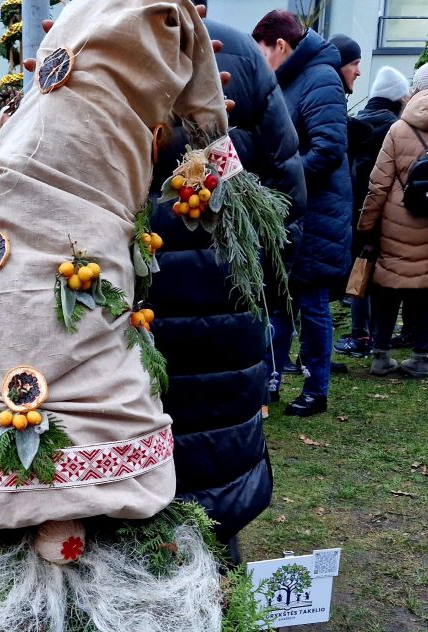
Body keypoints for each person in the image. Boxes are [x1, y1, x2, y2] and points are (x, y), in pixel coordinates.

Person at [149, 19, 306, 544]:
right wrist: (241, 248)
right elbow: (287, 193)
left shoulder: (87, 44)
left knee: (140, 479)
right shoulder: (240, 49)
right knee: (216, 478)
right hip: (227, 300)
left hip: (126, 302)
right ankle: (223, 606)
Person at [253, 10, 352, 417]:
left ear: (281, 45)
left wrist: (284, 182)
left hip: (316, 214)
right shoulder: (288, 81)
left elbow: (328, 147)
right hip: (290, 212)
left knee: (310, 303)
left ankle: (316, 388)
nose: (260, 62)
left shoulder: (321, 77)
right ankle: (271, 379)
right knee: (278, 300)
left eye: (263, 52)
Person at [357, 49, 428, 379]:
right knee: (426, 288)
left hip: (396, 220)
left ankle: (380, 356)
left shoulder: (400, 127)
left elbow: (378, 185)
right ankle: (421, 358)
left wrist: (366, 226)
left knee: (388, 287)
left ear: (421, 86)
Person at [335, 66, 409, 358]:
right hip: (381, 211)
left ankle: (359, 333)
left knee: (360, 271)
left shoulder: (357, 122)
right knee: (380, 277)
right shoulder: (394, 128)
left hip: (352, 209)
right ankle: (374, 336)